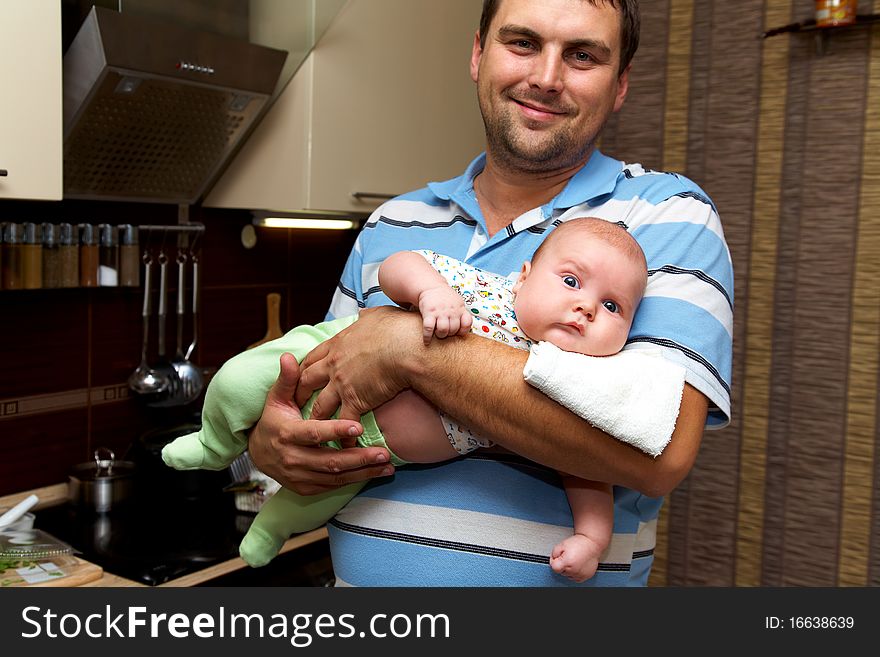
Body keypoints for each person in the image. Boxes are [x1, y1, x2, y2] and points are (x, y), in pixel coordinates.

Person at [247, 0, 734, 586]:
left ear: (620, 83)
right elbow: (319, 394)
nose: (546, 78)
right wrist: (272, 445)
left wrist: (408, 346)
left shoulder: (667, 217)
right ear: (479, 54)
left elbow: (660, 451)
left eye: (582, 55)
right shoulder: (391, 222)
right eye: (522, 43)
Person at [164, 217, 649, 583]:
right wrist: (431, 293)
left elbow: (586, 467)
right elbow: (398, 265)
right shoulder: (480, 291)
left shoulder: (574, 382)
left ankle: (268, 530)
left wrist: (592, 538)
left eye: (612, 306)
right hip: (321, 359)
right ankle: (213, 441)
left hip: (374, 454)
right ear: (524, 276)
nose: (586, 306)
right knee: (238, 381)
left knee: (317, 497)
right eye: (570, 281)